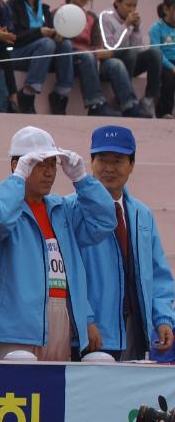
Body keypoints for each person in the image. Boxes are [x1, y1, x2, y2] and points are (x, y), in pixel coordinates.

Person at [0, 126, 113, 361]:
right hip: (14, 328)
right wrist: (17, 179)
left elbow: (104, 221)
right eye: (40, 165)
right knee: (15, 394)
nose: (49, 172)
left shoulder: (62, 209)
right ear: (16, 165)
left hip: (60, 319)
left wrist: (81, 179)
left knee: (53, 394)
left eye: (52, 165)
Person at [74, 126, 175, 360]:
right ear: (91, 162)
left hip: (135, 330)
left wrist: (162, 319)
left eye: (118, 160)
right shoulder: (73, 210)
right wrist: (85, 320)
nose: (109, 168)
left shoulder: (142, 214)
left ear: (131, 165)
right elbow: (70, 274)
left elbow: (158, 274)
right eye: (102, 160)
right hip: (94, 333)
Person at [7, 0, 75, 114]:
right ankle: (27, 92)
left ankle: (60, 94)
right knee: (46, 43)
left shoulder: (44, 9)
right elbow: (13, 38)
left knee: (65, 45)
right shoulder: (12, 5)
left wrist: (58, 35)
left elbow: (50, 34)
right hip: (15, 54)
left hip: (42, 56)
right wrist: (39, 33)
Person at [94, 0, 160, 119]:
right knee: (129, 53)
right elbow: (111, 46)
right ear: (117, 3)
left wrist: (136, 29)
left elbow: (139, 49)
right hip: (109, 64)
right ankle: (126, 99)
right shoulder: (105, 17)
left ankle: (148, 100)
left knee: (155, 54)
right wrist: (125, 26)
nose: (132, 9)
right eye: (128, 5)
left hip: (131, 62)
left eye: (134, 6)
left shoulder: (132, 21)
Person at [60, 0, 120, 117]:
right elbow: (61, 42)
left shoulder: (92, 17)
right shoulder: (60, 12)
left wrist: (101, 52)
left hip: (91, 59)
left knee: (116, 64)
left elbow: (97, 43)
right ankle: (96, 104)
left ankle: (129, 105)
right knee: (87, 56)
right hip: (69, 59)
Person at [147, 0, 175, 119]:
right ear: (166, 9)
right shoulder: (157, 28)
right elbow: (156, 51)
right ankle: (164, 112)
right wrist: (171, 66)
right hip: (164, 62)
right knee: (168, 78)